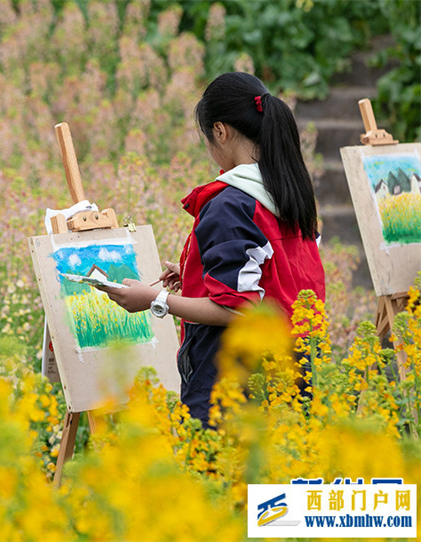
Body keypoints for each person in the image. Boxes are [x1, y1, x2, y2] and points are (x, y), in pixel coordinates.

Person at [98, 72, 325, 425]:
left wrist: (155, 300)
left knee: (222, 478)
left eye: (208, 137)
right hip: (292, 376)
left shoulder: (233, 204)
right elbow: (274, 277)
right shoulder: (288, 191)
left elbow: (237, 307)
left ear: (220, 130)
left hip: (233, 385)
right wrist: (195, 274)